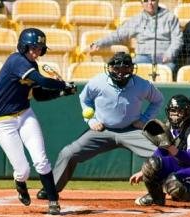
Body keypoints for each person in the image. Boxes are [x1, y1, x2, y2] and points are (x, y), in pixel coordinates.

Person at [36, 52, 164, 200]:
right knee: (69, 153)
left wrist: (145, 119)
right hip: (102, 130)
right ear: (110, 68)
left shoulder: (142, 84)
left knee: (160, 155)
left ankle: (162, 192)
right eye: (117, 69)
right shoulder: (97, 82)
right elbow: (84, 100)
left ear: (131, 69)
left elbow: (158, 100)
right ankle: (51, 189)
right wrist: (91, 121)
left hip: (131, 130)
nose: (121, 72)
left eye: (125, 68)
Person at [0, 27, 77, 215]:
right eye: (32, 48)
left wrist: (62, 92)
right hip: (4, 122)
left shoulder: (32, 64)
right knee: (23, 170)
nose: (35, 52)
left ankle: (53, 200)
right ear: (23, 46)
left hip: (24, 115)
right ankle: (20, 182)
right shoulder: (16, 61)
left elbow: (39, 95)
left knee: (41, 161)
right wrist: (63, 84)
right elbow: (43, 81)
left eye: (39, 48)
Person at [129, 94, 190, 209]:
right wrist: (144, 171)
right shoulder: (169, 126)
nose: (174, 115)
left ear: (187, 112)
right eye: (172, 111)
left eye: (178, 111)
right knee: (151, 165)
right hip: (185, 166)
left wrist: (172, 149)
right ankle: (156, 197)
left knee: (174, 184)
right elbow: (161, 151)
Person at [90, 0, 183, 72]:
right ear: (141, 3)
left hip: (163, 57)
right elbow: (119, 35)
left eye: (153, 0)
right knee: (126, 69)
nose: (150, 3)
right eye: (146, 0)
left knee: (170, 68)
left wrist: (169, 54)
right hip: (143, 56)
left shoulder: (170, 17)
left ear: (158, 1)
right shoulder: (136, 19)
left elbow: (177, 40)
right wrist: (100, 43)